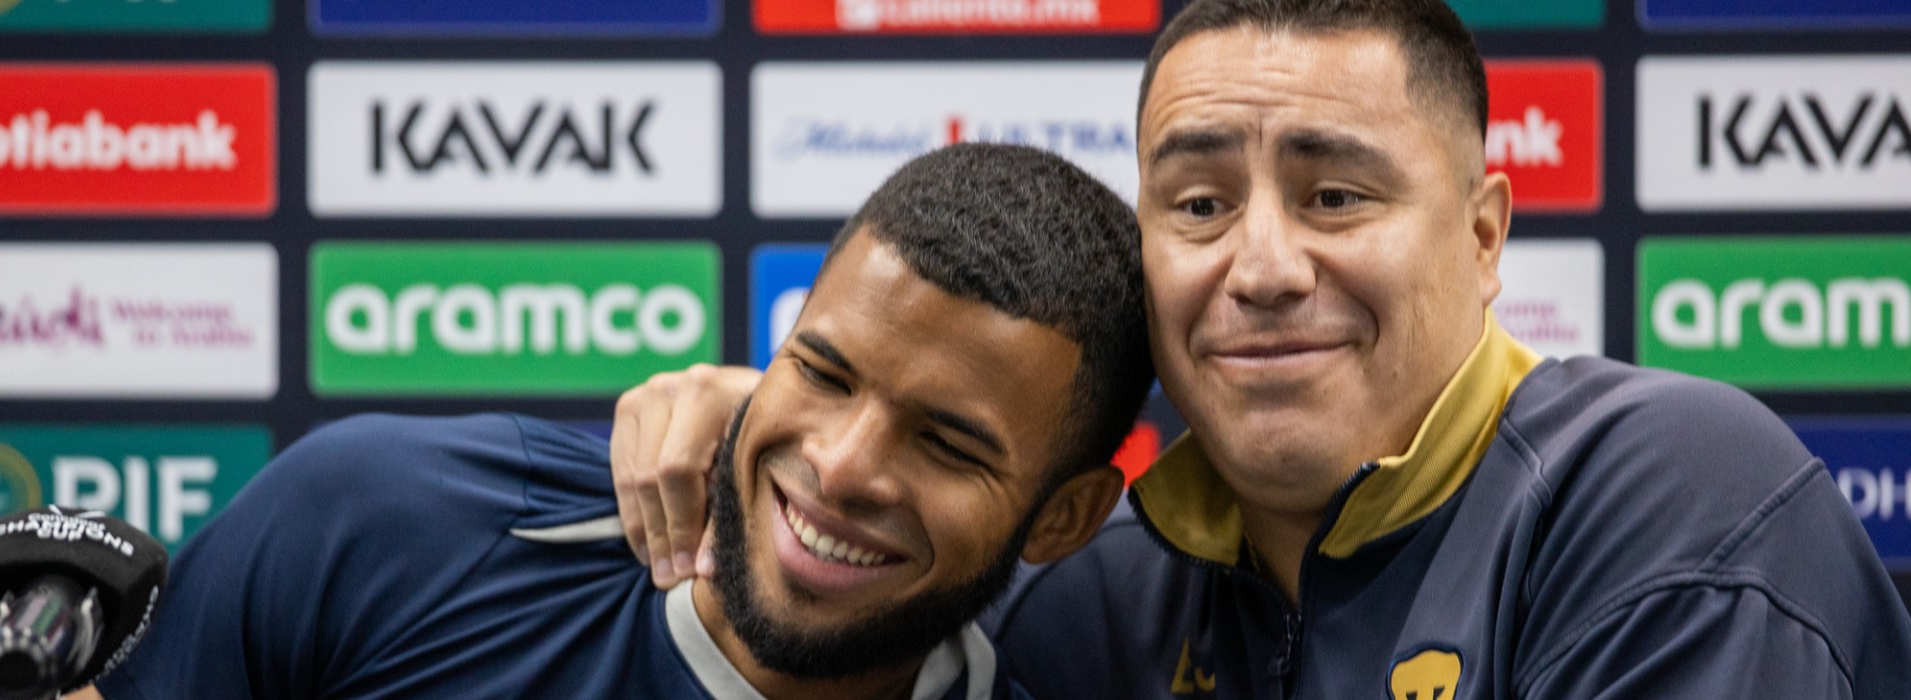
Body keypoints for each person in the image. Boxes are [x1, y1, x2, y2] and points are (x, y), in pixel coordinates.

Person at [609, 0, 1911, 697]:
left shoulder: (1668, 490)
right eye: (1198, 204)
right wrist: (773, 434)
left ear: (1482, 235)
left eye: (1336, 195)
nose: (1265, 264)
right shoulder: (1083, 589)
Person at [73, 143, 1153, 700]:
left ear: (1064, 516)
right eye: (822, 374)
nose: (840, 466)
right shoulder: (377, 517)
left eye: (947, 443)